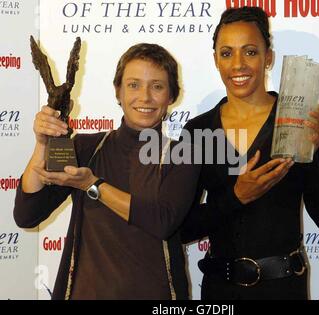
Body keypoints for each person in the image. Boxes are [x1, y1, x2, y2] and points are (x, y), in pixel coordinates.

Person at [13, 43, 200, 300]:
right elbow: (27, 214)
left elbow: (162, 222)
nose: (144, 97)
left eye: (157, 86)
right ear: (118, 92)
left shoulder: (184, 154)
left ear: (171, 96)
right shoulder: (85, 147)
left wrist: (92, 185)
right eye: (133, 85)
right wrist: (42, 144)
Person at [181, 7, 319, 300]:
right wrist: (236, 197)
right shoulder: (197, 131)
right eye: (227, 53)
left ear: (268, 58)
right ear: (215, 59)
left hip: (284, 289)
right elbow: (181, 227)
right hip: (220, 291)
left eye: (250, 52)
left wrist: (315, 152)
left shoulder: (300, 121)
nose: (238, 64)